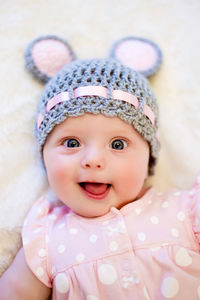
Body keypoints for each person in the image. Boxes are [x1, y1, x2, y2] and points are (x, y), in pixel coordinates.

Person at [0, 36, 199, 300]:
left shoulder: (185, 212)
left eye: (118, 144)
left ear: (149, 155)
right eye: (71, 142)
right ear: (44, 156)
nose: (93, 160)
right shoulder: (44, 239)